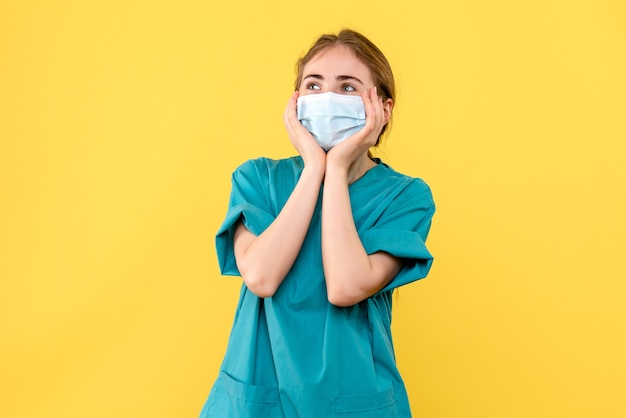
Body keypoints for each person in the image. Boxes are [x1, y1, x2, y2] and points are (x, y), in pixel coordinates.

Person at [199, 29, 435, 418]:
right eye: (314, 84)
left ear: (383, 108)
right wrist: (313, 168)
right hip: (256, 399)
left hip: (356, 398)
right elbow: (260, 276)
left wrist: (337, 169)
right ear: (296, 102)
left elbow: (345, 286)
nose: (328, 98)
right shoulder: (258, 179)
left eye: (347, 87)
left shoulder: (405, 196)